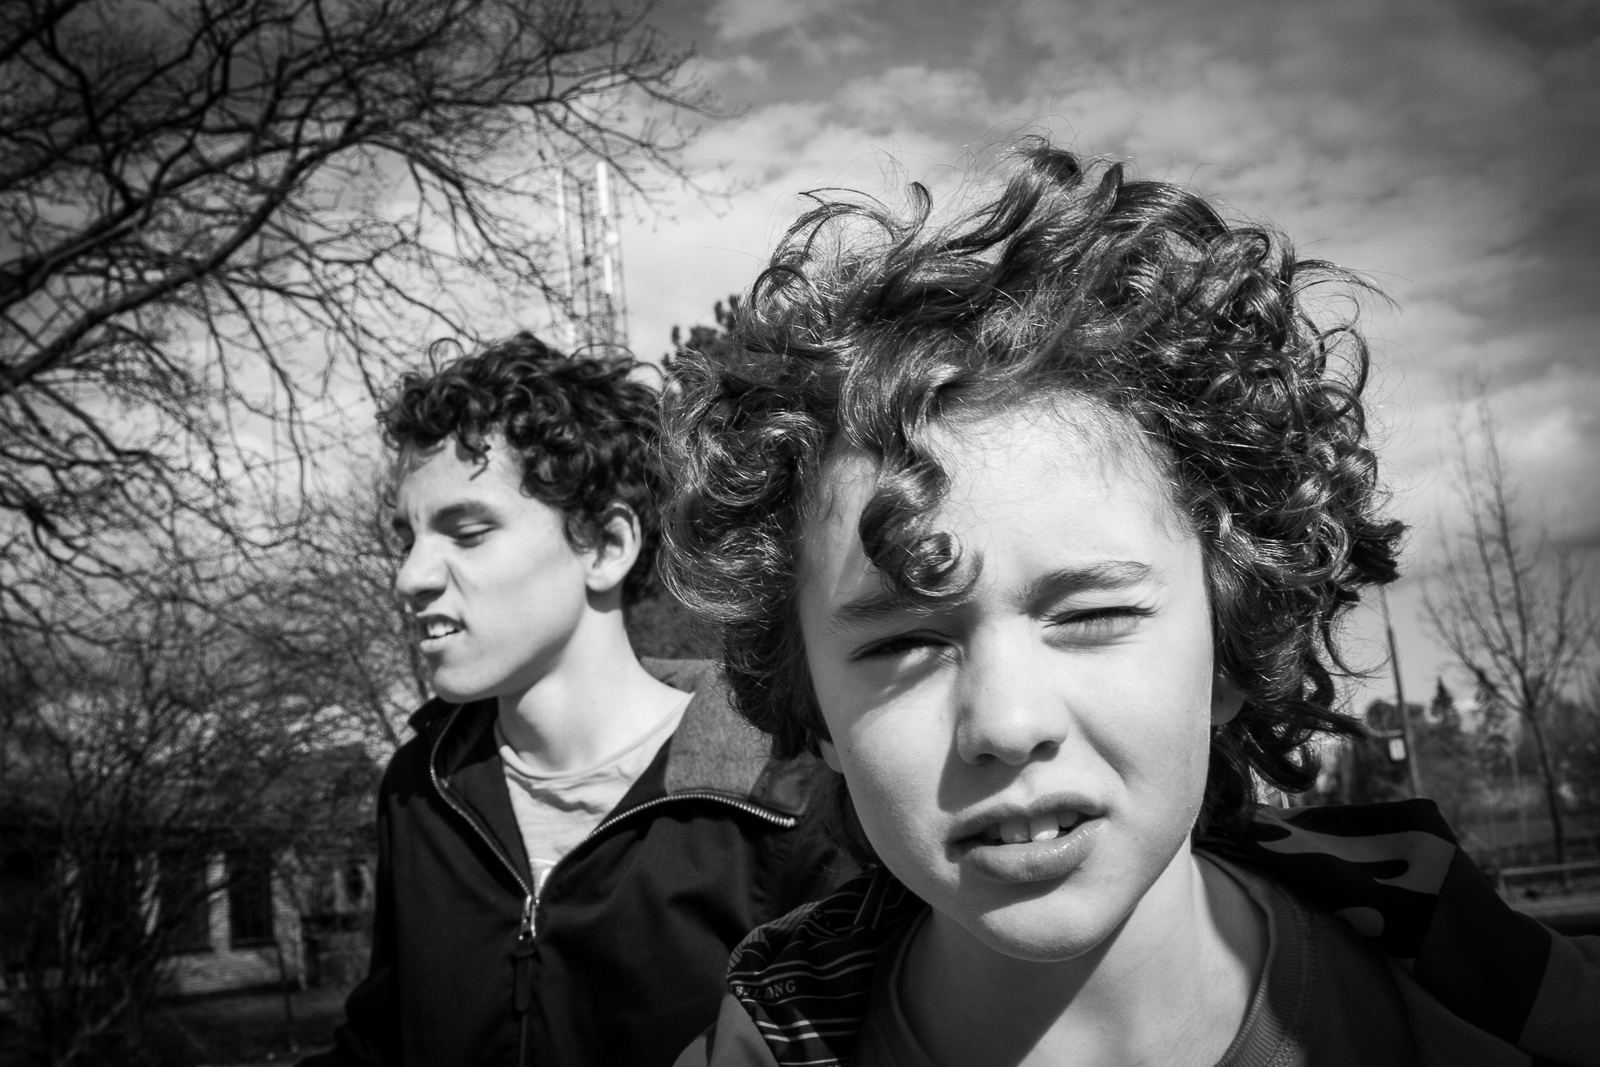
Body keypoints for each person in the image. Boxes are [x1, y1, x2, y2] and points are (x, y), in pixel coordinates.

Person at [661, 142, 1600, 1066]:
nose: (1008, 723)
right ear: (815, 710)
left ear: (1232, 644)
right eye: (903, 642)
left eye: (1092, 616)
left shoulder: (1491, 1010)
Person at [303, 334, 840, 1067]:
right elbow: (380, 1046)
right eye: (409, 539)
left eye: (467, 532)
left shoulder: (779, 800)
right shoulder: (419, 790)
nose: (411, 577)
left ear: (606, 546)